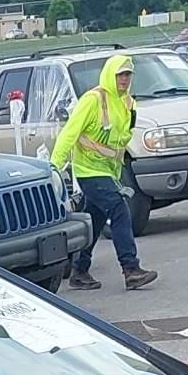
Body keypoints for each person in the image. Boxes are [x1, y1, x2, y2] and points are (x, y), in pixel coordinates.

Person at [50, 51, 156, 292]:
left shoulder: (128, 103)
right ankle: (131, 269)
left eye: (128, 74)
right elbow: (69, 133)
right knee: (119, 209)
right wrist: (55, 167)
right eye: (120, 75)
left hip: (109, 172)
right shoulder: (93, 100)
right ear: (110, 75)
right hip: (89, 171)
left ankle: (79, 271)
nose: (124, 79)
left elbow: (121, 139)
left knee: (95, 220)